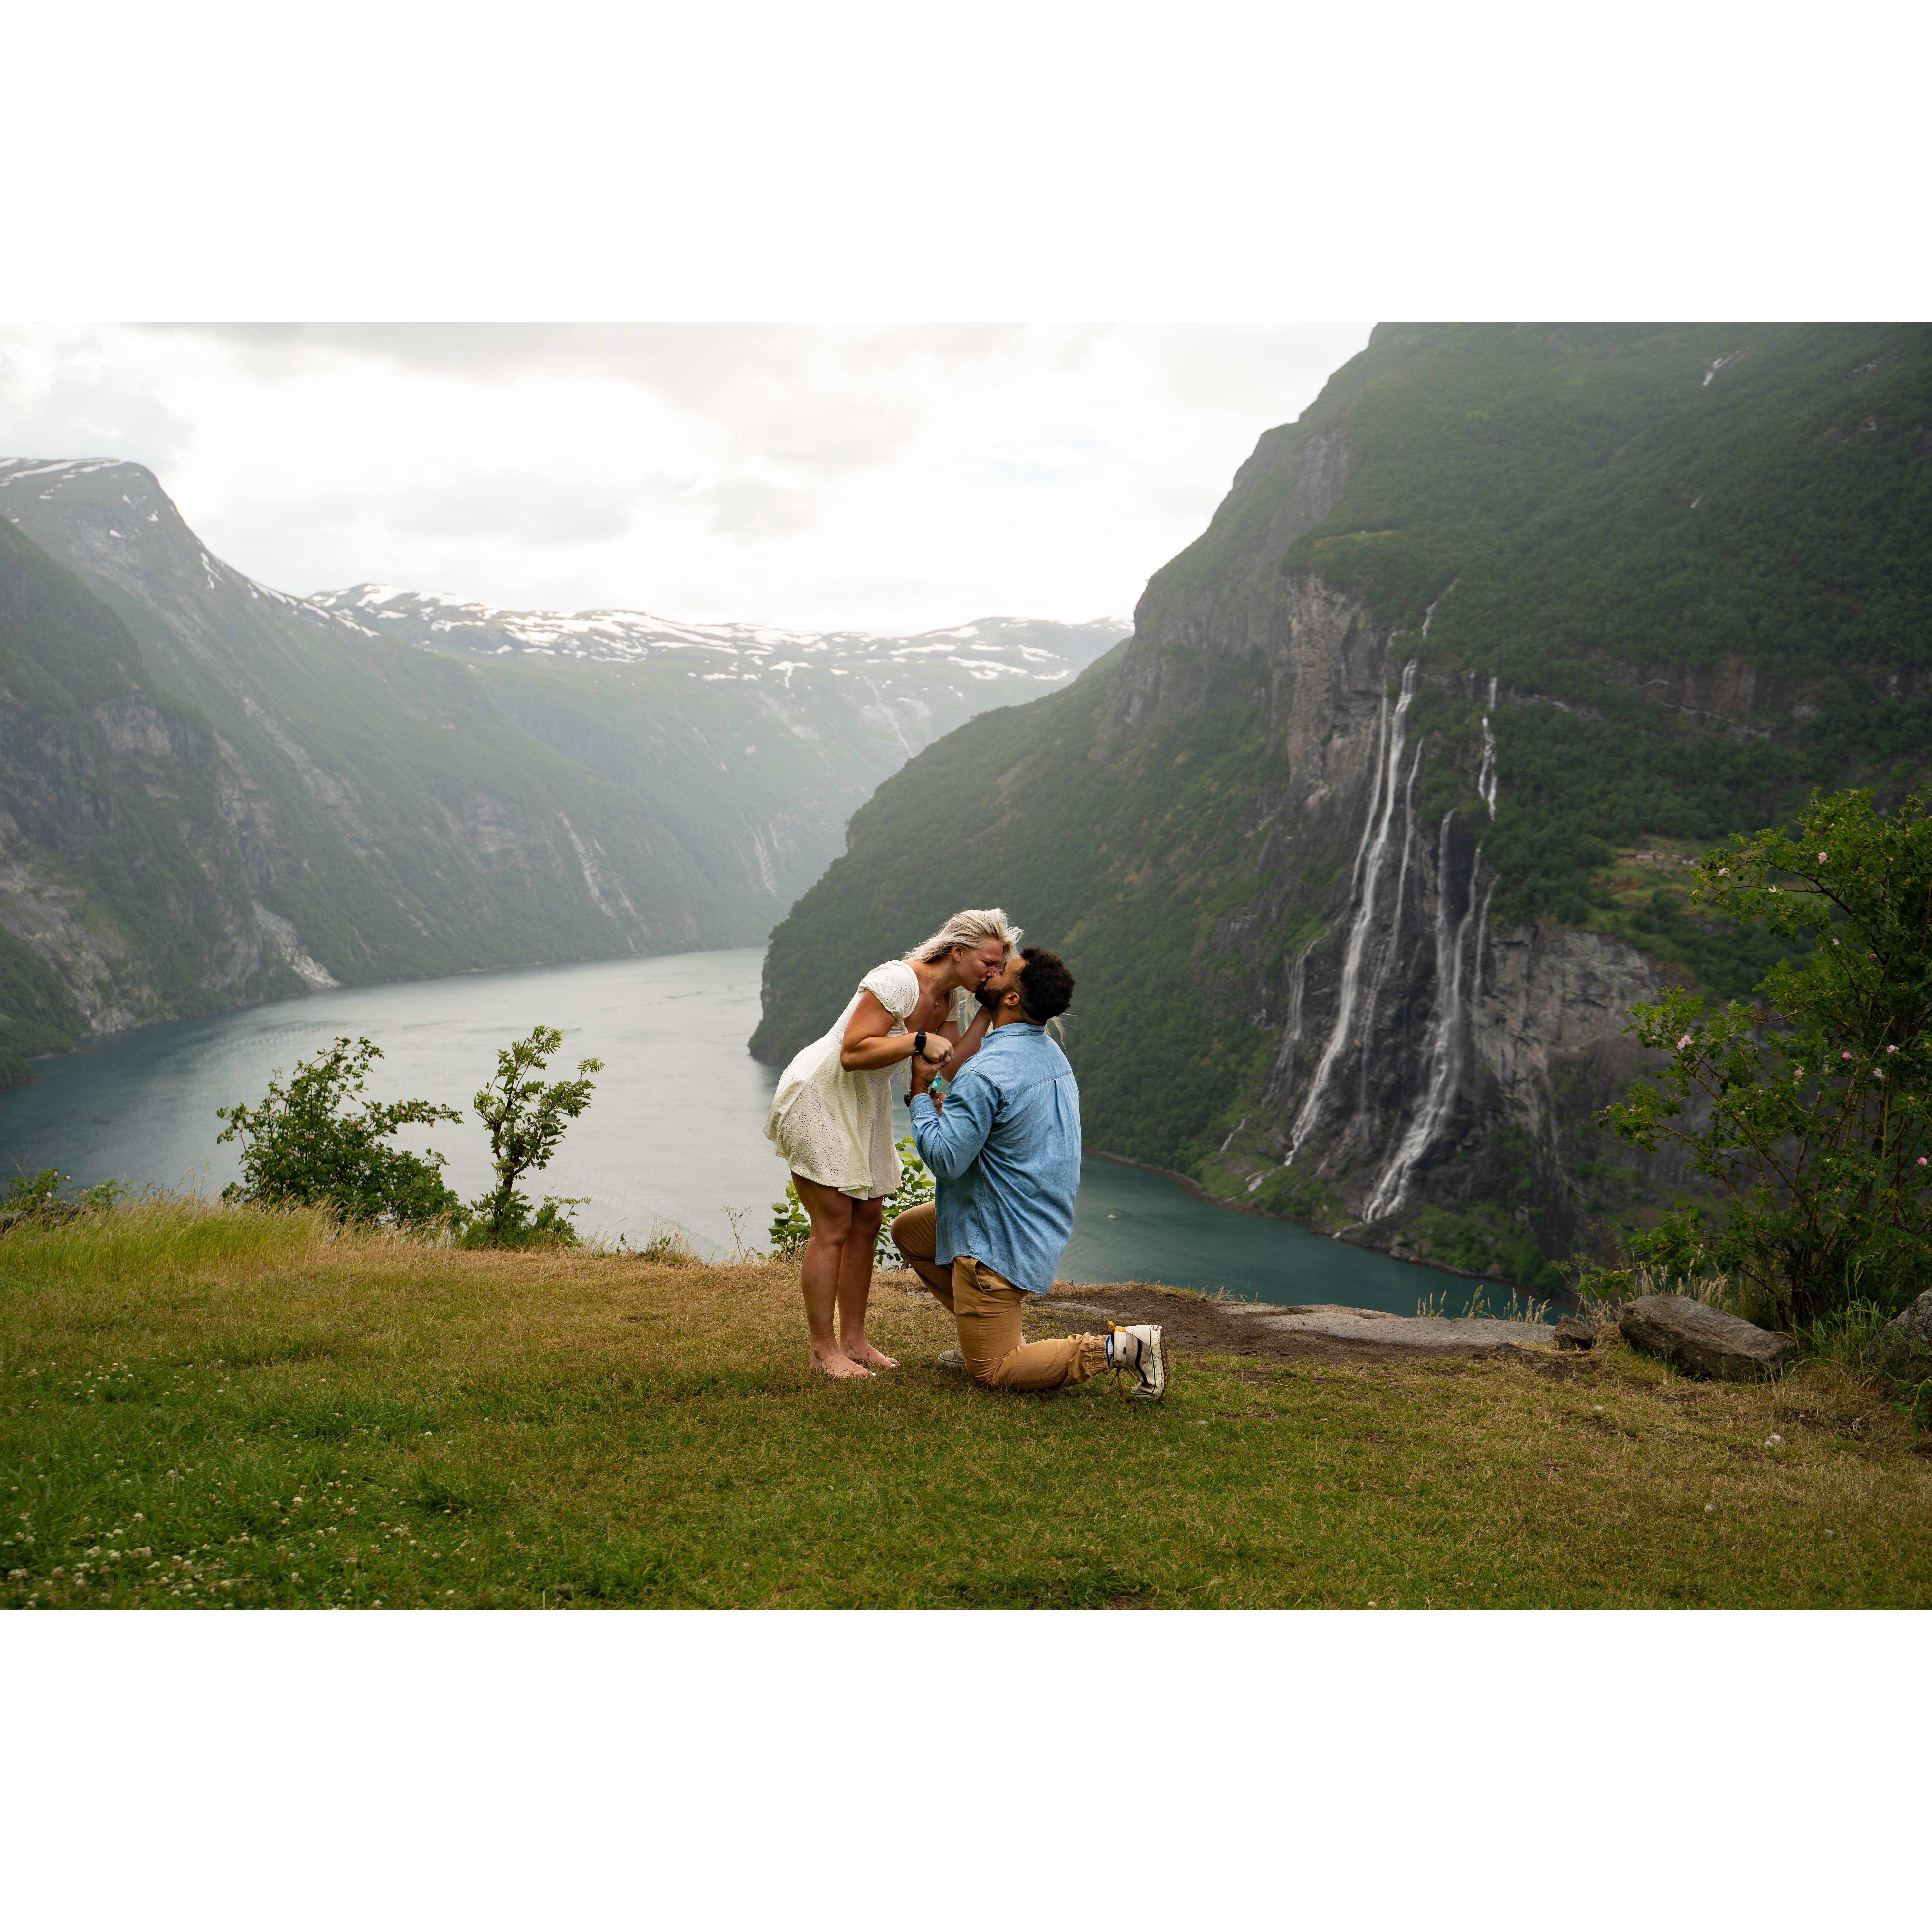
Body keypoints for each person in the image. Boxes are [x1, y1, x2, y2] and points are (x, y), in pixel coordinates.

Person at [891, 947, 1166, 1400]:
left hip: (994, 1238)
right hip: (1031, 1217)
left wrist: (921, 1092)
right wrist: (953, 1116)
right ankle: (979, 1331)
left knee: (994, 1371)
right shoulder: (1049, 1054)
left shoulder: (986, 1072)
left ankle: (1125, 1347)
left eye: (1004, 971)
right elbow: (1005, 1131)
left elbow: (944, 1160)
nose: (994, 970)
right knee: (913, 1233)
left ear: (1013, 999)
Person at [764, 909, 1019, 1378]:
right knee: (834, 1224)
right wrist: (918, 1040)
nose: (992, 971)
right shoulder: (899, 981)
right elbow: (853, 1050)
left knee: (868, 1218)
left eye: (998, 965)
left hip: (866, 1102)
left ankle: (855, 1340)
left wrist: (987, 1012)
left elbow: (954, 1066)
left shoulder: (949, 1002)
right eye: (987, 962)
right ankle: (824, 1350)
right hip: (822, 1092)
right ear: (957, 951)